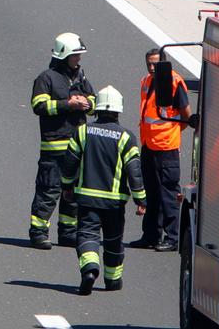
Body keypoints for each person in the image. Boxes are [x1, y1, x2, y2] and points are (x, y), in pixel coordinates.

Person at [61, 86, 145, 295]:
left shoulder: (83, 132)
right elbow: (134, 171)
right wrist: (140, 199)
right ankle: (113, 280)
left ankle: (90, 270)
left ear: (96, 108)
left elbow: (70, 163)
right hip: (114, 202)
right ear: (118, 110)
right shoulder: (126, 137)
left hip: (88, 200)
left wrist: (67, 186)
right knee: (113, 240)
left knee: (87, 236)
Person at [30, 32, 96, 249]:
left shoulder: (80, 76)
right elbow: (39, 106)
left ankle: (68, 233)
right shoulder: (45, 78)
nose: (79, 59)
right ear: (64, 55)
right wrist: (68, 104)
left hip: (77, 146)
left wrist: (87, 103)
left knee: (74, 191)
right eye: (75, 55)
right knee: (49, 190)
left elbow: (93, 98)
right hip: (54, 147)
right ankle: (39, 232)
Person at [132, 48, 189, 251]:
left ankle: (172, 237)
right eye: (149, 63)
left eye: (155, 63)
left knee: (168, 193)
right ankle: (151, 235)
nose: (152, 67)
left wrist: (171, 133)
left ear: (164, 63)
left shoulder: (174, 81)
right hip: (148, 145)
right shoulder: (146, 81)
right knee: (151, 192)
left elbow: (185, 114)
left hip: (166, 147)